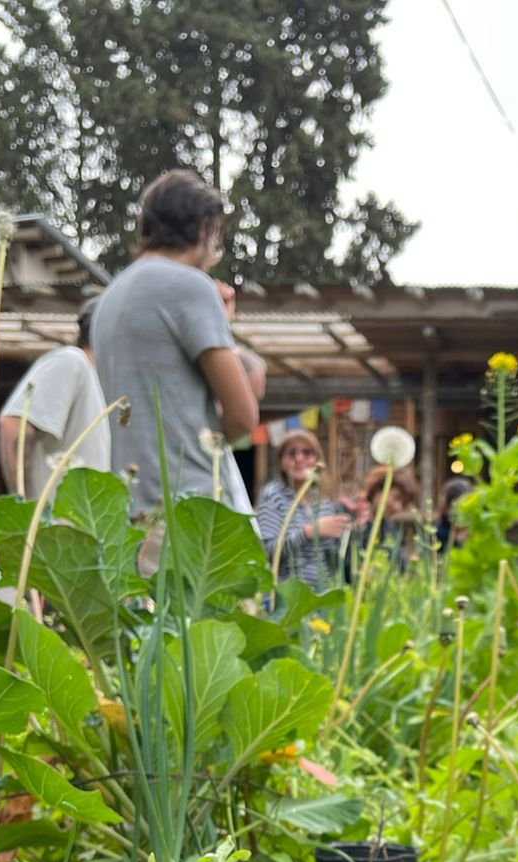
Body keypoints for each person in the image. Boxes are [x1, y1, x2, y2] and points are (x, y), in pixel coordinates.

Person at [91, 169, 264, 533]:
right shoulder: (190, 286)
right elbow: (243, 415)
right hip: (193, 514)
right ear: (204, 228)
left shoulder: (109, 298)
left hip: (132, 515)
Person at [0, 304, 110, 499]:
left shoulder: (93, 380)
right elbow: (13, 424)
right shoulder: (72, 361)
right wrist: (26, 510)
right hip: (52, 527)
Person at [255, 429, 351, 590]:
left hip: (321, 595)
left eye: (307, 453)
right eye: (291, 453)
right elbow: (267, 551)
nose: (299, 459)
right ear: (281, 462)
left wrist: (355, 529)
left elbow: (334, 555)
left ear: (317, 460)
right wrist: (307, 533)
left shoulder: (323, 499)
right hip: (286, 596)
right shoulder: (273, 496)